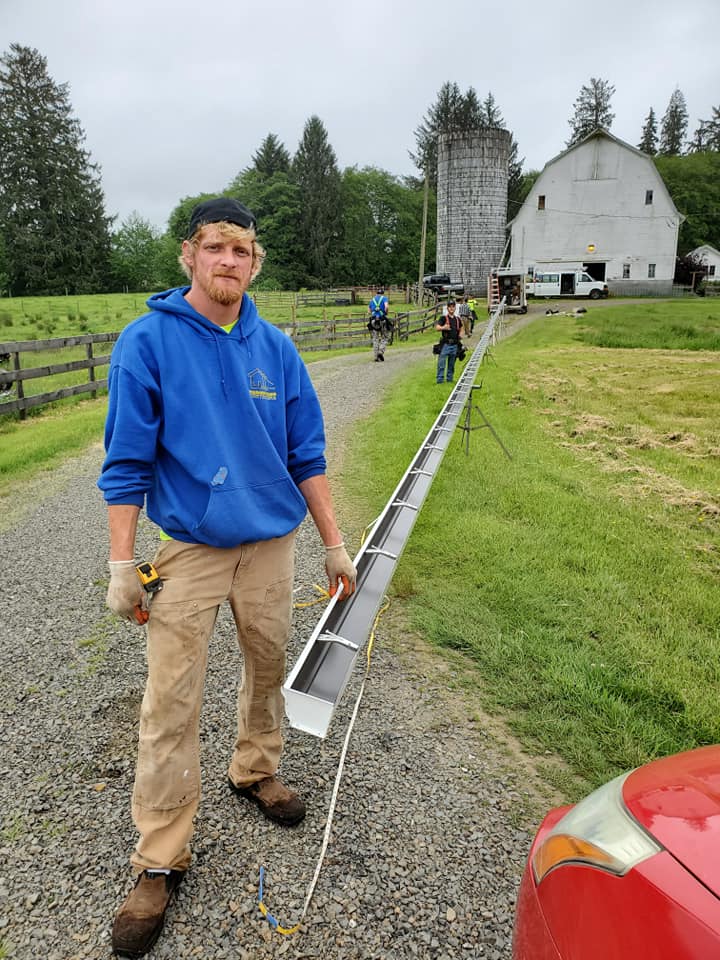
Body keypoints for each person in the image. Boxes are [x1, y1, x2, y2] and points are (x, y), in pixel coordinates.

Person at [97, 197, 357, 959]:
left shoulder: (275, 349)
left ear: (255, 261)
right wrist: (122, 563)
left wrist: (335, 546)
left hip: (271, 546)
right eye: (217, 247)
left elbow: (307, 454)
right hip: (191, 550)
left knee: (268, 667)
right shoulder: (146, 343)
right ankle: (158, 858)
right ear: (189, 255)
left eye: (243, 250)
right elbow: (126, 463)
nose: (230, 262)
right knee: (171, 699)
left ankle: (256, 769)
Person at [435, 299, 463, 384]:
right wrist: (444, 328)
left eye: (453, 307)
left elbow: (461, 328)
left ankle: (449, 380)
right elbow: (437, 327)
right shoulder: (443, 318)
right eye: (450, 307)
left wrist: (461, 334)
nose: (451, 308)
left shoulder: (457, 319)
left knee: (451, 365)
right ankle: (440, 380)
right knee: (441, 364)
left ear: (455, 308)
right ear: (447, 308)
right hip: (446, 345)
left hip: (454, 345)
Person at [367, 286, 390, 361]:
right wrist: (386, 313)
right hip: (382, 320)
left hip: (374, 321)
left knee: (375, 338)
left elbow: (369, 311)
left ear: (376, 294)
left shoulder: (372, 300)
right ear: (382, 293)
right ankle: (381, 351)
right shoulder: (384, 298)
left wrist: (374, 312)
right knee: (385, 336)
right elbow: (386, 307)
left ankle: (376, 356)